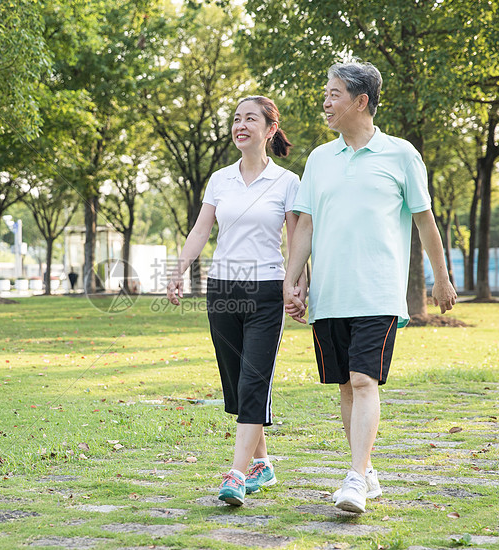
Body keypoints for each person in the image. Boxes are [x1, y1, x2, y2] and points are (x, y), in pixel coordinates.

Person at [283, 60, 457, 514]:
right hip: (329, 295)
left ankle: (356, 479)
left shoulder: (402, 154)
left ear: (361, 101)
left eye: (334, 93)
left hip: (378, 292)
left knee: (363, 379)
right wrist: (293, 282)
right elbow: (304, 226)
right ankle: (367, 469)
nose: (325, 101)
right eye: (326, 93)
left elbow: (425, 220)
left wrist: (441, 277)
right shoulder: (320, 159)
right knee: (344, 384)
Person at [167, 95, 305, 506]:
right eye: (236, 119)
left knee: (254, 380)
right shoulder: (219, 179)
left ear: (270, 129)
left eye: (250, 119)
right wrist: (178, 270)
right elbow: (200, 230)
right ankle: (263, 463)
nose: (240, 125)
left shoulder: (287, 182)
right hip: (223, 289)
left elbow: (297, 239)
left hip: (267, 288)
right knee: (235, 383)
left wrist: (297, 286)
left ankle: (237, 473)